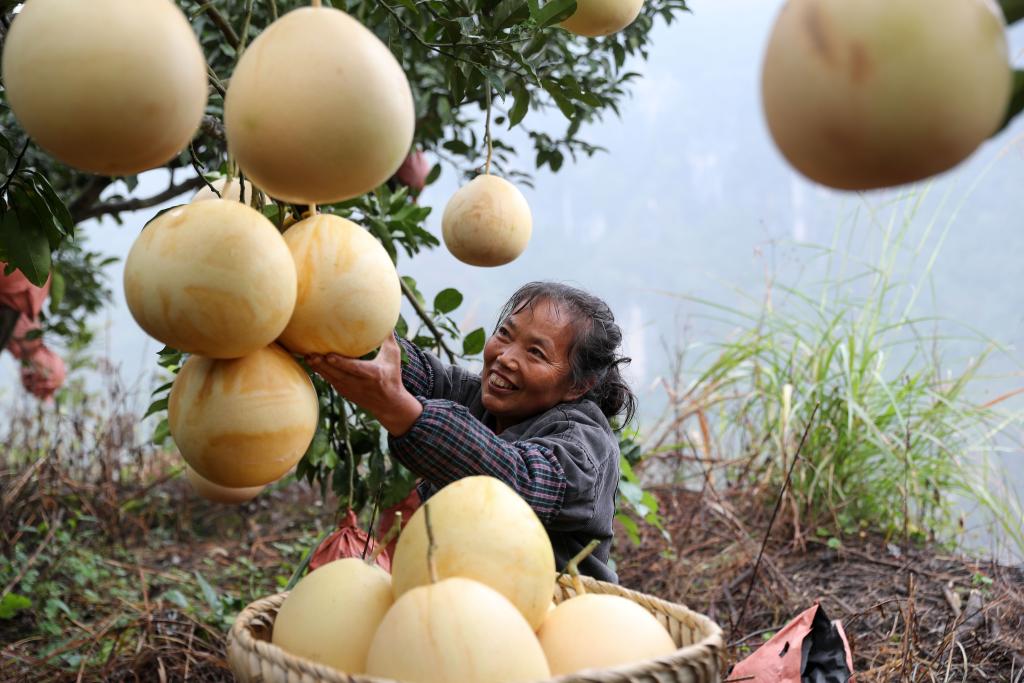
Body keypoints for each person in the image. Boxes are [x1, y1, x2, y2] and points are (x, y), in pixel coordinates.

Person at [307, 281, 636, 582]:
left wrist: (399, 408)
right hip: (462, 607)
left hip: (552, 624)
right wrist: (353, 331)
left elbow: (519, 480)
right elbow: (426, 377)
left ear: (579, 384)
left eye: (536, 353)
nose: (505, 357)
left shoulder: (585, 444)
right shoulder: (483, 400)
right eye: (505, 334)